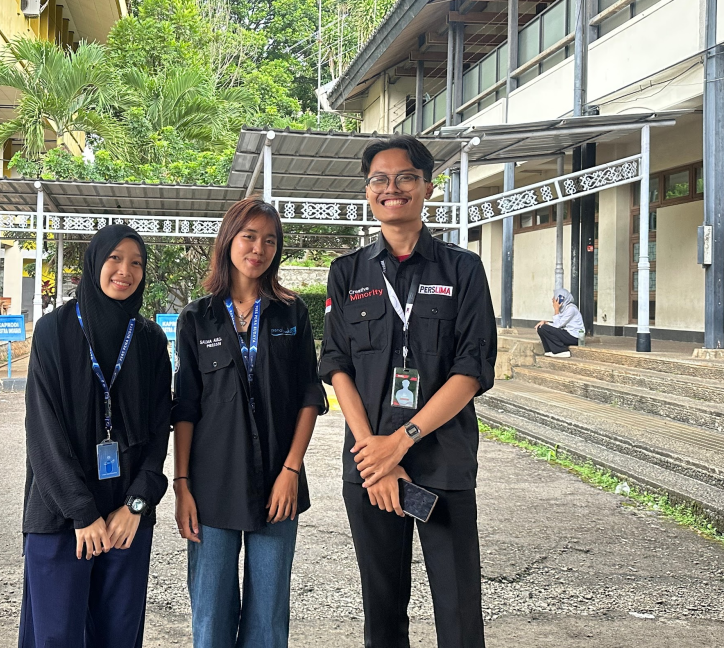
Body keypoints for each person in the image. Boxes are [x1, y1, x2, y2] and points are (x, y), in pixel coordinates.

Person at [319, 137, 497, 648]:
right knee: (382, 612)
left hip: (443, 461)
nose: (391, 188)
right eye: (379, 179)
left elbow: (471, 369)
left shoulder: (462, 269)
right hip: (370, 466)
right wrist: (374, 455)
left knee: (459, 611)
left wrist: (400, 443)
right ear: (367, 190)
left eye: (405, 178)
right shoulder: (347, 272)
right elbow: (336, 365)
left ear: (427, 187)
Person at [172, 197, 327, 648]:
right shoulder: (196, 318)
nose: (259, 249)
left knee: (268, 619)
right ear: (228, 240)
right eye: (249, 237)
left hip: (278, 483)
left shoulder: (291, 312)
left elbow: (308, 396)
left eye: (270, 240)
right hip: (212, 485)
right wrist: (182, 486)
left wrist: (291, 471)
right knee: (211, 614)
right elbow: (186, 408)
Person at [19, 225, 173, 648]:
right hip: (61, 516)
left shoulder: (150, 340)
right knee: (56, 636)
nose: (126, 271)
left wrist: (136, 504)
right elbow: (43, 431)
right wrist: (82, 513)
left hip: (127, 518)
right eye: (114, 259)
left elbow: (159, 434)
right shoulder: (53, 331)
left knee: (118, 637)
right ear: (94, 263)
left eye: (136, 263)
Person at [535, 288, 584, 358]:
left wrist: (556, 309)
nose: (552, 299)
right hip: (567, 333)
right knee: (541, 327)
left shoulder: (571, 309)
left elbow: (557, 326)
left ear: (560, 299)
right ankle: (548, 350)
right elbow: (558, 325)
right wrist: (546, 322)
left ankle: (561, 351)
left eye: (554, 297)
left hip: (574, 337)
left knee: (544, 328)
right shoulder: (564, 309)